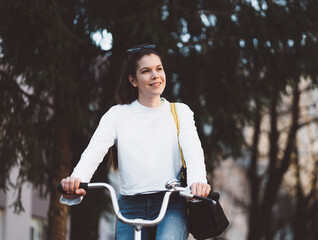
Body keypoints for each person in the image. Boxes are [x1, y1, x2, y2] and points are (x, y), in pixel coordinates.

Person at [60, 44, 211, 240]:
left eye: (159, 68)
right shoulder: (117, 115)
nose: (155, 75)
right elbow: (94, 151)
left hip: (171, 202)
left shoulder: (179, 112)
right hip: (130, 204)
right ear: (133, 80)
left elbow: (192, 149)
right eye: (146, 71)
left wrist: (197, 182)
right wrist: (76, 180)